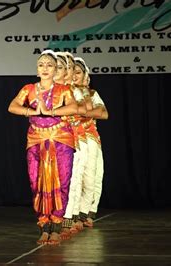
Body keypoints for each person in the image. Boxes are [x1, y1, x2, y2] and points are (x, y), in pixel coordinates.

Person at [8, 50, 78, 245]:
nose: (45, 68)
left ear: (55, 70)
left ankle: (55, 226)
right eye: (41, 65)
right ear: (37, 70)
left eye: (49, 65)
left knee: (61, 181)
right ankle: (43, 226)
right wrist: (31, 111)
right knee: (36, 183)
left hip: (60, 138)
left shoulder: (64, 89)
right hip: (36, 139)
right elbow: (12, 106)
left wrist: (51, 111)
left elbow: (74, 108)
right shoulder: (28, 88)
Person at [53, 52, 87, 240]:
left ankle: (68, 218)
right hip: (51, 137)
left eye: (62, 67)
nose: (62, 71)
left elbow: (83, 110)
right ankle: (52, 219)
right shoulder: (46, 89)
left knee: (71, 181)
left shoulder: (75, 90)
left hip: (73, 136)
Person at [74, 57, 108, 228]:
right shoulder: (66, 93)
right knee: (77, 177)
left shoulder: (91, 94)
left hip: (91, 137)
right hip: (73, 137)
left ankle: (89, 212)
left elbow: (103, 113)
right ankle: (75, 214)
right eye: (71, 72)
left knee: (95, 176)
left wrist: (82, 113)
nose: (74, 76)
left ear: (85, 76)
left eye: (78, 73)